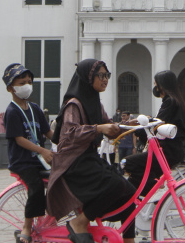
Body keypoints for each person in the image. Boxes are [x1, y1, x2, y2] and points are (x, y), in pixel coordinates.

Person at [47, 59, 136, 243]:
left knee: (130, 193)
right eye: (101, 75)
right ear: (88, 77)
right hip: (73, 163)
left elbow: (110, 127)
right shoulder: (74, 104)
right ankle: (79, 222)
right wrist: (98, 129)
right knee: (115, 184)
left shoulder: (96, 102)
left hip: (89, 159)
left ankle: (129, 240)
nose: (105, 80)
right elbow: (70, 134)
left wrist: (133, 125)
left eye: (107, 75)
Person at [2, 63, 53, 243]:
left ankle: (52, 216)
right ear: (11, 88)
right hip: (23, 161)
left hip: (40, 159)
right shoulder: (11, 111)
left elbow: (48, 133)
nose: (27, 86)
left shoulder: (35, 109)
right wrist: (42, 150)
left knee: (63, 177)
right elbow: (19, 139)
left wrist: (65, 143)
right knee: (36, 186)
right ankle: (27, 225)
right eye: (22, 82)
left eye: (29, 82)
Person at [124, 70, 185, 193]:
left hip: (167, 151)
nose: (155, 87)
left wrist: (137, 129)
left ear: (162, 86)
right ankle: (150, 192)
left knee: (127, 163)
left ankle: (152, 184)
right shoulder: (177, 102)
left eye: (156, 84)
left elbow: (158, 125)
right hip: (174, 150)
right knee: (137, 178)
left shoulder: (170, 102)